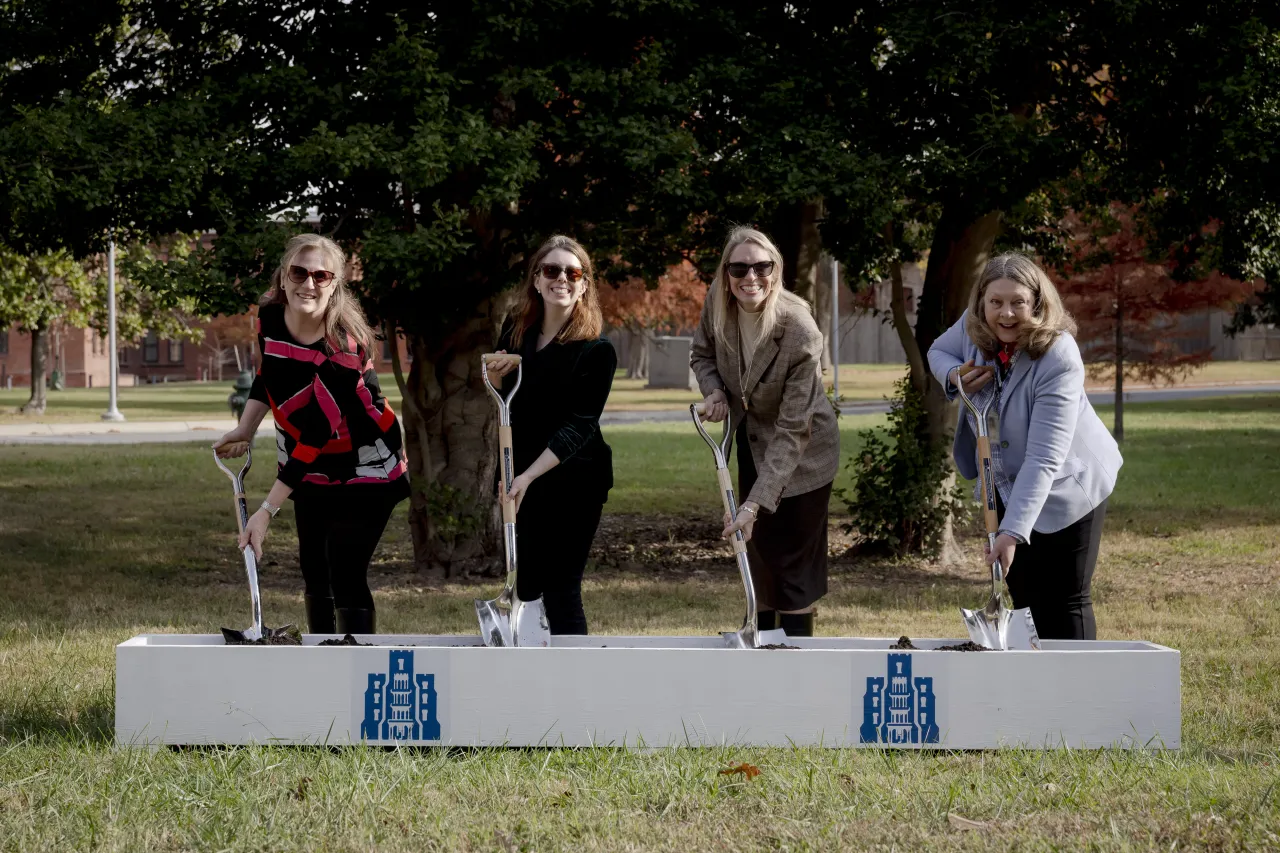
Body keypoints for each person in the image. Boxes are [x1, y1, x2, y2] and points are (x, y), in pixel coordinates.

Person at [213, 233, 409, 635]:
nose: (309, 283)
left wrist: (265, 512)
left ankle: (355, 671)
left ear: (335, 284)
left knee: (345, 571)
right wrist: (246, 427)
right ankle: (319, 666)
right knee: (315, 572)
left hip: (366, 462)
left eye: (322, 275)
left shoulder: (342, 349)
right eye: (299, 272)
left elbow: (316, 435)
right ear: (283, 277)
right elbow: (270, 373)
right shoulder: (269, 316)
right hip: (306, 461)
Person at [928, 252, 1123, 640]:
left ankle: (1077, 693)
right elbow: (938, 351)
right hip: (1003, 479)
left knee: (1065, 598)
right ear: (981, 302)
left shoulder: (1059, 355)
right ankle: (1038, 690)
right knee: (1026, 596)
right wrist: (956, 376)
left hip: (1067, 485)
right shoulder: (972, 329)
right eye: (996, 302)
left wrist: (1012, 531)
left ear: (1036, 302)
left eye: (1018, 302)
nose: (1006, 314)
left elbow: (1045, 457)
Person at [689, 226, 840, 637]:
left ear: (776, 270)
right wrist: (715, 389)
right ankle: (762, 649)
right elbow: (701, 355)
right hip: (754, 441)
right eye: (739, 268)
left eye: (761, 266)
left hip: (805, 455)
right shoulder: (719, 305)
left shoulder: (799, 331)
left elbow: (793, 429)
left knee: (792, 570)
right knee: (760, 560)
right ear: (726, 274)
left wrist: (753, 504)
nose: (750, 276)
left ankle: (795, 660)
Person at [483, 235, 616, 635]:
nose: (562, 278)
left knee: (561, 590)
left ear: (584, 284)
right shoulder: (516, 332)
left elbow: (579, 425)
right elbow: (506, 398)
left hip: (573, 482)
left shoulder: (596, 351)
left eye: (572, 272)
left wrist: (527, 477)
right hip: (520, 472)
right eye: (552, 270)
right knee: (525, 587)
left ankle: (574, 687)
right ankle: (531, 679)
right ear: (536, 280)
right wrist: (493, 374)